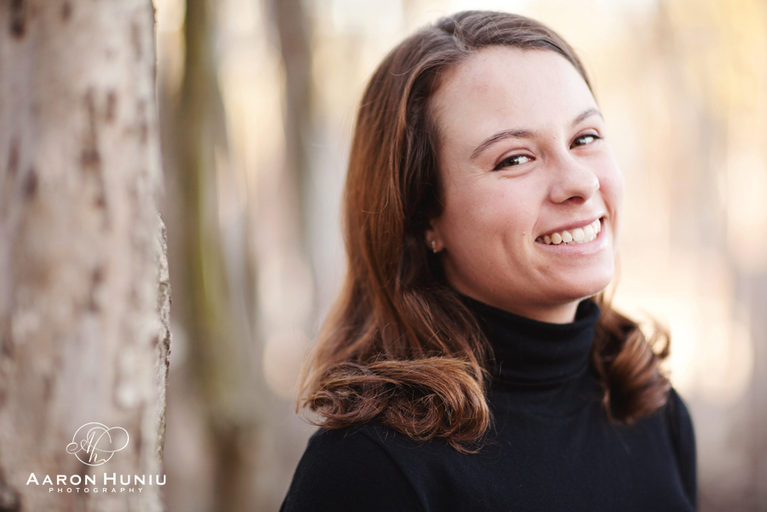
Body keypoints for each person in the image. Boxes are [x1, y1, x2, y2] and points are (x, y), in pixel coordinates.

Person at [280, 10, 696, 512]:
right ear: (423, 217)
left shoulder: (651, 407)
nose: (581, 182)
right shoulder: (368, 468)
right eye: (514, 158)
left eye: (584, 138)